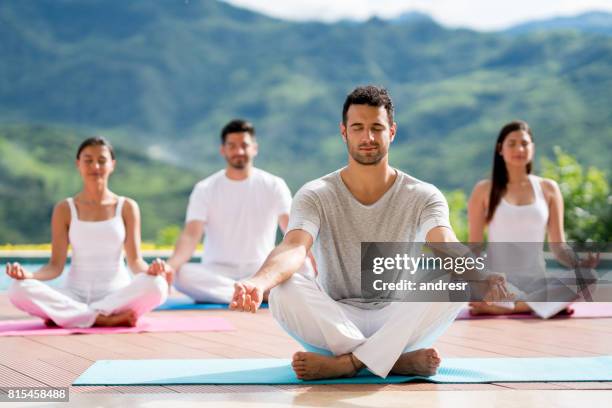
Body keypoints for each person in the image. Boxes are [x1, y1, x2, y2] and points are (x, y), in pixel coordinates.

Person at [229, 86, 509, 380]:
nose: (368, 138)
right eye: (358, 128)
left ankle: (349, 364)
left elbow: (444, 243)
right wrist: (258, 282)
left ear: (392, 131)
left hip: (399, 321)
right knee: (285, 288)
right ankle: (392, 361)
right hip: (334, 321)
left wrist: (481, 275)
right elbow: (294, 247)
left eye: (377, 127)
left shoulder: (423, 195)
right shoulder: (315, 193)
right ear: (343, 131)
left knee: (454, 277)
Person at [5, 137, 168, 328]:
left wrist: (151, 271)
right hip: (74, 294)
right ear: (78, 164)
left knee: (158, 285)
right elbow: (55, 266)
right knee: (18, 289)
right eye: (88, 160)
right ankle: (100, 318)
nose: (95, 166)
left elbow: (135, 261)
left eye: (102, 160)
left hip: (116, 295)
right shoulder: (65, 208)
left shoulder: (127, 207)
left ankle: (71, 315)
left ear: (112, 164)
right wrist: (29, 275)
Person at [153, 119, 312, 303]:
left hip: (261, 269)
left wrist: (311, 257)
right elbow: (190, 236)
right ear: (223, 150)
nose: (239, 152)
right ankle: (255, 293)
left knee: (304, 266)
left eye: (244, 145)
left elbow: (292, 230)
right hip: (216, 270)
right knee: (181, 275)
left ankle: (249, 290)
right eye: (232, 146)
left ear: (254, 148)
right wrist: (170, 267)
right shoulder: (205, 188)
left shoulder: (274, 184)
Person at [467, 120, 597, 318]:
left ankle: (514, 306)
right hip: (498, 284)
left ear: (533, 148)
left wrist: (578, 264)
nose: (519, 148)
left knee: (587, 277)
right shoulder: (484, 190)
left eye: (525, 143)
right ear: (500, 149)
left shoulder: (549, 189)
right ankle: (530, 305)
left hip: (538, 284)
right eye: (512, 143)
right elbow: (474, 248)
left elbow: (558, 246)